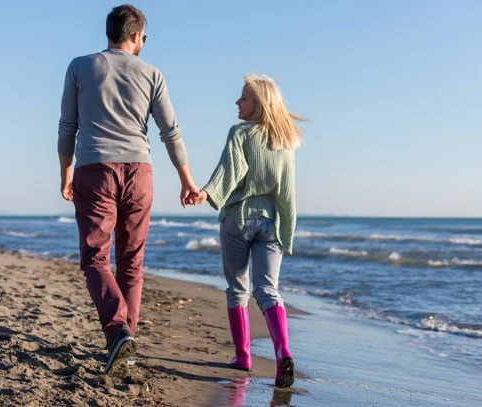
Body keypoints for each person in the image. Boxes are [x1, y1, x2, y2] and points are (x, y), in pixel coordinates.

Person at [57, 4, 199, 374]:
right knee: (131, 261)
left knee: (95, 258)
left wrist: (65, 172)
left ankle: (118, 331)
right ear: (135, 36)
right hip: (140, 171)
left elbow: (67, 127)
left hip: (95, 168)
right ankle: (126, 343)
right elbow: (171, 132)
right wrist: (186, 180)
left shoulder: (80, 66)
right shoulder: (152, 73)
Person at [191, 74, 304, 387]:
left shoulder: (240, 132)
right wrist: (287, 232)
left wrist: (206, 193)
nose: (237, 102)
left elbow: (231, 171)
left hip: (238, 220)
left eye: (244, 98)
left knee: (237, 289)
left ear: (259, 103)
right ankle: (283, 353)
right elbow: (287, 192)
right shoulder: (286, 140)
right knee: (268, 290)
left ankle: (243, 355)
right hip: (270, 224)